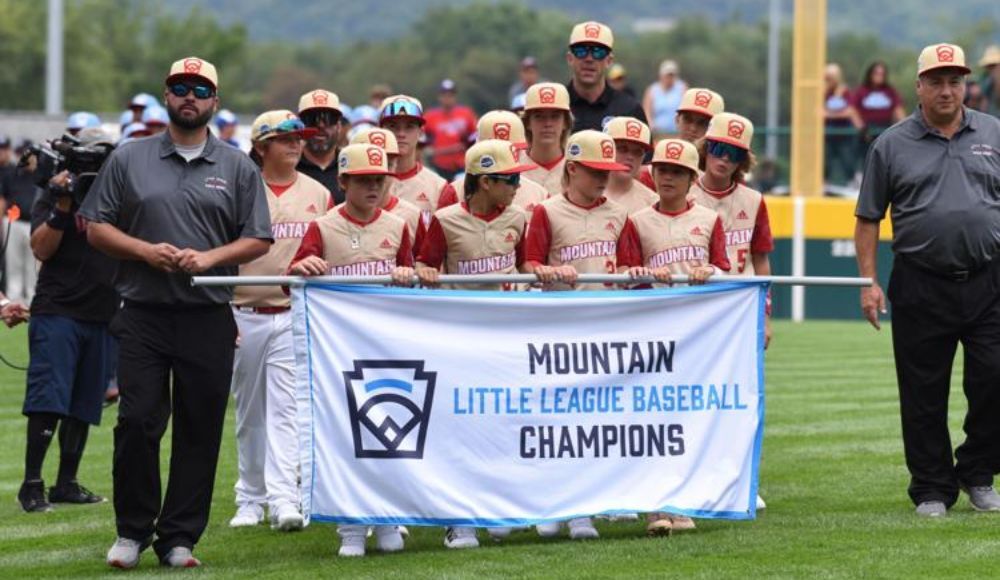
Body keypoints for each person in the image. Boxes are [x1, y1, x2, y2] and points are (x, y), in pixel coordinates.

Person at [81, 56, 272, 569]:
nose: (190, 96)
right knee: (139, 420)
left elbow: (257, 238)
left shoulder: (235, 165)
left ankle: (180, 537)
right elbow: (94, 225)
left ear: (215, 100)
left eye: (201, 89)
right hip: (143, 310)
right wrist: (145, 251)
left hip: (206, 314)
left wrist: (210, 258)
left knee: (200, 426)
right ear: (167, 95)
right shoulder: (129, 157)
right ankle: (131, 531)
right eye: (180, 87)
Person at [855, 43, 1000, 518]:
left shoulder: (994, 133)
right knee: (922, 392)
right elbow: (869, 217)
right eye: (936, 80)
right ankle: (933, 488)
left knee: (994, 381)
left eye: (955, 80)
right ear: (918, 86)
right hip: (920, 281)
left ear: (965, 85)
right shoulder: (891, 144)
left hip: (988, 279)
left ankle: (978, 473)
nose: (946, 89)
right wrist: (868, 281)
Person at [229, 110, 329, 533]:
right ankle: (250, 496)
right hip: (244, 310)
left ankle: (284, 497)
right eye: (285, 138)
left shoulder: (319, 192)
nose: (296, 144)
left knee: (287, 409)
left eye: (299, 138)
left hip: (293, 312)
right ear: (261, 147)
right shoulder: (239, 189)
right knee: (249, 411)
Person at [16, 127, 120, 514]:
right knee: (49, 397)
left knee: (84, 401)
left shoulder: (116, 194)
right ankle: (31, 484)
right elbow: (41, 248)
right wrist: (63, 206)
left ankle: (66, 483)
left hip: (102, 312)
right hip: (58, 310)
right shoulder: (53, 192)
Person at [689, 112, 774, 348]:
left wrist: (765, 317)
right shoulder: (684, 194)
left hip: (740, 302)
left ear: (742, 161)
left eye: (734, 153)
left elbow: (761, 261)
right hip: (695, 300)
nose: (724, 159)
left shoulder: (754, 200)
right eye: (718, 148)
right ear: (706, 148)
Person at [418, 139, 534, 295]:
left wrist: (543, 273)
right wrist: (425, 271)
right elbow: (424, 263)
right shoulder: (445, 220)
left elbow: (521, 264)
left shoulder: (517, 216)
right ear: (485, 182)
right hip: (466, 312)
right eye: (513, 179)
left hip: (508, 309)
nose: (518, 185)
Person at [437, 110, 550, 212]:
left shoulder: (539, 194)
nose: (504, 159)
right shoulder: (455, 192)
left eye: (510, 152)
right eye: (494, 153)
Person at [565, 21, 646, 132]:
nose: (589, 59)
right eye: (581, 51)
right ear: (570, 58)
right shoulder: (555, 109)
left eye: (598, 52)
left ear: (609, 61)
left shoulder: (629, 110)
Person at [638, 87, 725, 190]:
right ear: (677, 120)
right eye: (688, 119)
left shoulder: (724, 168)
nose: (693, 128)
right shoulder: (655, 157)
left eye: (703, 123)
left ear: (716, 129)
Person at [379, 94, 447, 224]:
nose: (401, 134)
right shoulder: (362, 181)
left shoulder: (439, 187)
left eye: (409, 126)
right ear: (381, 130)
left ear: (421, 133)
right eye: (393, 126)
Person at [350, 127, 424, 241]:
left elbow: (424, 258)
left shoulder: (412, 216)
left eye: (387, 164)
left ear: (395, 166)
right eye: (370, 165)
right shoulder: (330, 218)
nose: (380, 173)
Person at [1, 139, 41, 304]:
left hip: (33, 223)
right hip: (13, 221)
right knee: (13, 263)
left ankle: (31, 299)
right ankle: (13, 299)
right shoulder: (13, 173)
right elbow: (4, 198)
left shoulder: (40, 175)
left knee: (31, 265)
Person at [521, 82, 573, 198]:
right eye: (539, 116)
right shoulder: (514, 168)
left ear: (565, 122)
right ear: (528, 123)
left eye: (555, 116)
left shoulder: (577, 169)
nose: (547, 124)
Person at [296, 89, 346, 204]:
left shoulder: (352, 165)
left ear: (339, 126)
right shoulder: (289, 167)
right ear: (300, 125)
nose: (321, 125)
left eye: (328, 119)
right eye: (312, 119)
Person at [423, 79, 478, 181]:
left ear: (455, 96)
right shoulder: (431, 116)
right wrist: (428, 148)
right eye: (444, 95)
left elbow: (475, 135)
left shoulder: (466, 114)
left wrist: (468, 145)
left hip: (462, 164)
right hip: (439, 165)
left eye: (450, 95)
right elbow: (421, 136)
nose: (447, 98)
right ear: (439, 97)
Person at [602, 116, 657, 213]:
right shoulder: (583, 191)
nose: (630, 157)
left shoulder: (653, 203)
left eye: (637, 152)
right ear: (606, 149)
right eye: (622, 149)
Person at [824, 63, 865, 185]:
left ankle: (853, 182)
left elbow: (850, 111)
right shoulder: (824, 92)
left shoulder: (845, 92)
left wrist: (829, 114)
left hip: (844, 134)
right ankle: (825, 182)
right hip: (827, 135)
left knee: (848, 161)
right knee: (825, 161)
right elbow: (819, 111)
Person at [643, 60, 688, 139]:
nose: (670, 78)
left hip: (677, 132)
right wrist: (651, 125)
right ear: (661, 75)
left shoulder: (682, 88)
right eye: (668, 75)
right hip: (658, 133)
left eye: (672, 75)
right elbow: (647, 111)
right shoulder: (652, 90)